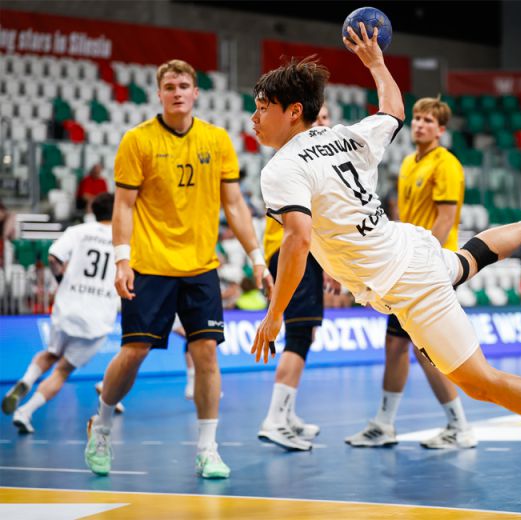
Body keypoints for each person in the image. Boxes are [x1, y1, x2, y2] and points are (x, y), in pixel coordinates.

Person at [249, 24, 521, 491]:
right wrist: (376, 63)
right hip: (408, 246)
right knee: (467, 261)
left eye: (262, 109)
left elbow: (298, 241)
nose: (254, 118)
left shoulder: (281, 168)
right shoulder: (345, 136)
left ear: (294, 111)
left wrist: (274, 314)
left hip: (406, 282)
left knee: (480, 382)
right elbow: (393, 109)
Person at [83, 59, 272, 479]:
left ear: (196, 92)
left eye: (184, 85)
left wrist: (257, 258)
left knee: (205, 353)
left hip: (200, 266)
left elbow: (236, 205)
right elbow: (124, 206)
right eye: (169, 86)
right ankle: (102, 425)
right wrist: (121, 259)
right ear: (159, 93)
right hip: (149, 265)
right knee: (133, 353)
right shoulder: (137, 141)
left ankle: (208, 448)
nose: (177, 92)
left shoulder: (217, 139)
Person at [346, 96, 477, 450]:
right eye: (416, 118)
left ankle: (459, 426)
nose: (419, 124)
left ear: (441, 129)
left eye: (428, 121)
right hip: (406, 264)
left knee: (425, 349)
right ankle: (385, 424)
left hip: (428, 267)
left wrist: (423, 260)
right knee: (396, 345)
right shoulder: (406, 163)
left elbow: (446, 218)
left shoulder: (446, 164)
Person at [2, 193, 118, 433]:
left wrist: (61, 279)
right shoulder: (123, 240)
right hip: (97, 318)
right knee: (63, 370)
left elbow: (54, 257)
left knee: (51, 353)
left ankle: (26, 380)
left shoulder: (78, 231)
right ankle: (25, 412)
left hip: (68, 307)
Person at [256, 102, 335, 451]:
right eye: (318, 118)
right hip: (293, 251)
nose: (324, 124)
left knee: (305, 331)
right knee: (300, 330)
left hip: (307, 251)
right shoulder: (296, 159)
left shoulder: (312, 159)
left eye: (327, 119)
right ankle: (275, 418)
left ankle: (286, 414)